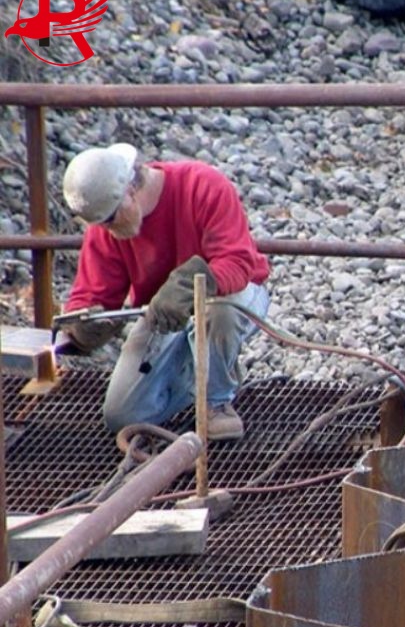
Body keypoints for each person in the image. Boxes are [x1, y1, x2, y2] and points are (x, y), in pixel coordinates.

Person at [58, 142, 271, 441]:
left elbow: (238, 263)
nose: (105, 229)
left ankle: (216, 402)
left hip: (230, 296)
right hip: (162, 314)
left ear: (129, 190)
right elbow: (91, 295)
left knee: (220, 310)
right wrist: (82, 326)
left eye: (108, 220)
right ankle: (199, 371)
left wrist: (193, 282)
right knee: (123, 416)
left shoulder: (201, 184)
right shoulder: (108, 226)